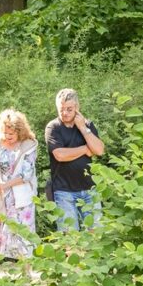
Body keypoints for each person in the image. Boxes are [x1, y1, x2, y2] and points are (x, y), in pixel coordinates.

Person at [0, 109, 39, 279]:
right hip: (0, 196)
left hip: (20, 196)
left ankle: (26, 271)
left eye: (11, 133)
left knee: (23, 231)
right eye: (5, 132)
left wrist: (5, 184)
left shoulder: (29, 144)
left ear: (19, 131)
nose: (7, 136)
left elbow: (27, 173)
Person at [45, 88, 106, 232]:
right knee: (70, 237)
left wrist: (83, 128)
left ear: (77, 108)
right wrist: (85, 149)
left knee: (96, 236)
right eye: (61, 109)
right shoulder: (53, 128)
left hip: (89, 190)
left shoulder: (87, 125)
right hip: (64, 192)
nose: (65, 113)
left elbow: (99, 150)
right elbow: (60, 155)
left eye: (69, 109)